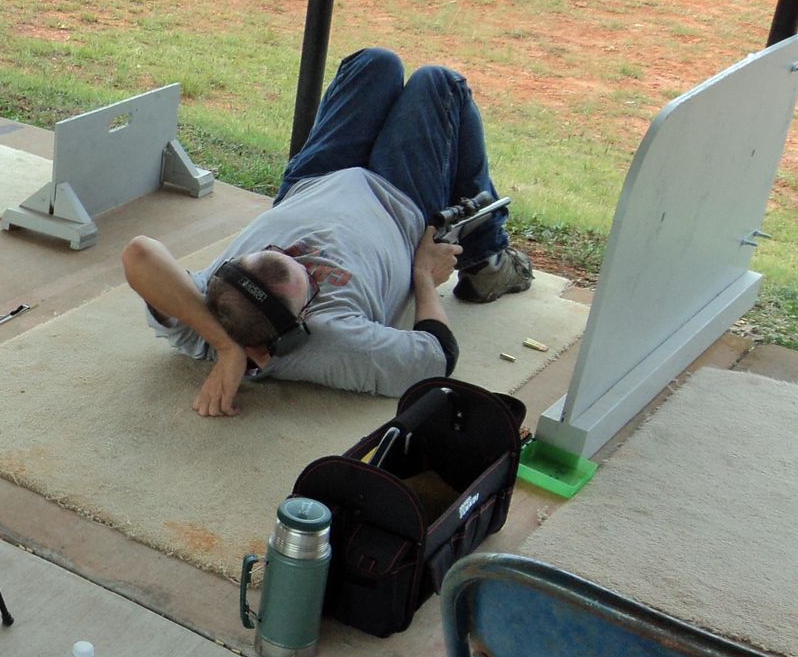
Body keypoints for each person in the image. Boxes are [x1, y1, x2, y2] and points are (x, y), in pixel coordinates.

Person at [122, 48, 533, 416]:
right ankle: (488, 261)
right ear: (286, 338)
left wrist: (227, 347)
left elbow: (140, 253)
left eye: (280, 252)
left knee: (376, 63)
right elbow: (438, 357)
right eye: (311, 282)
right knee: (439, 82)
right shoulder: (331, 343)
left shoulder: (201, 318)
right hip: (401, 200)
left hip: (315, 181)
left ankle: (487, 258)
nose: (306, 255)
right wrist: (424, 275)